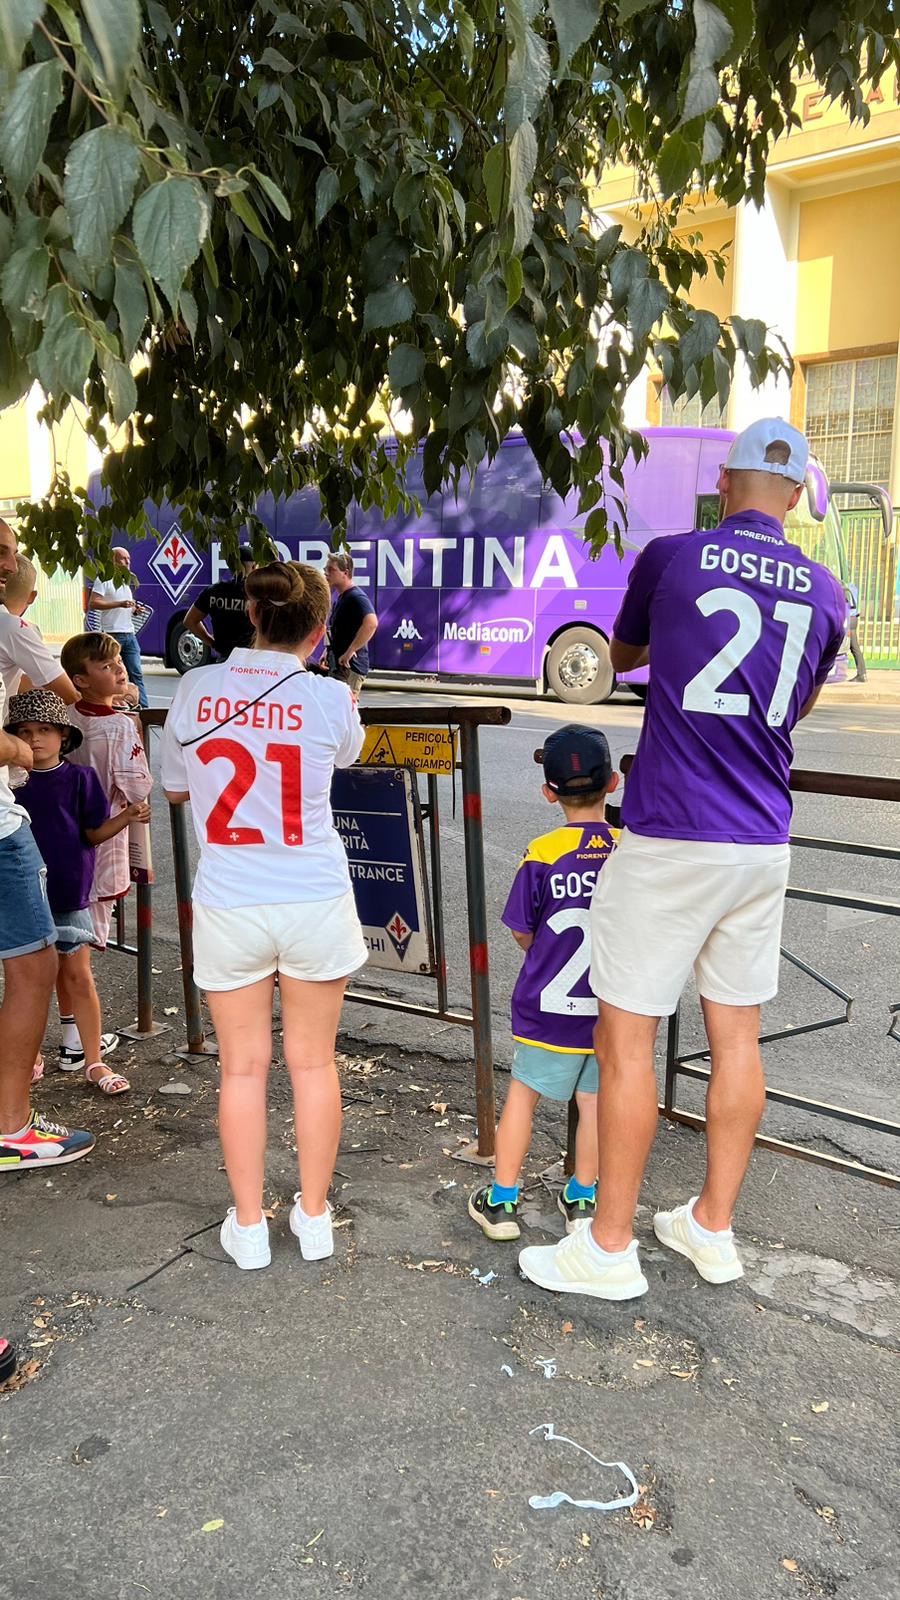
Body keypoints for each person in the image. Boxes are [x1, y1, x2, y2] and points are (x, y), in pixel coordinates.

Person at [519, 419, 847, 1303]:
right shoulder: (826, 590)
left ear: (725, 483)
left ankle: (608, 1248)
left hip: (670, 834)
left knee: (625, 1039)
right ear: (795, 497)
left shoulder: (673, 556)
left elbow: (623, 657)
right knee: (736, 1037)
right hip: (761, 840)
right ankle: (712, 1228)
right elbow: (798, 702)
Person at [160, 561, 368, 1271]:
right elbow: (346, 755)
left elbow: (177, 789)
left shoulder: (195, 689)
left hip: (229, 899)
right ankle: (314, 1218)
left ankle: (249, 1227)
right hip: (314, 897)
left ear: (251, 612)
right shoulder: (330, 697)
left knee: (242, 1070)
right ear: (320, 630)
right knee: (314, 1064)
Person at [468, 726, 619, 1242]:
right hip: (610, 1009)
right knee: (595, 1103)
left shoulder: (543, 852)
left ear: (548, 792)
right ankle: (582, 1197)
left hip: (548, 1007)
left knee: (524, 1096)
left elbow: (521, 929)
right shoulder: (627, 850)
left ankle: (502, 1201)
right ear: (613, 783)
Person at [0, 519, 94, 1171]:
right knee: (34, 965)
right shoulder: (10, 625)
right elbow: (66, 691)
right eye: (1, 552)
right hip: (1, 829)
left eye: (10, 553)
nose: (8, 563)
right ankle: (12, 1127)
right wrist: (15, 749)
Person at [5, 690, 151, 1095]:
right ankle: (28, 1059)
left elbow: (93, 833)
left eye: (44, 730)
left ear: (64, 736)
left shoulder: (81, 778)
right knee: (24, 983)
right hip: (22, 893)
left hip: (69, 891)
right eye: (24, 731)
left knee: (78, 976)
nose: (34, 739)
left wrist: (127, 816)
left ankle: (94, 1060)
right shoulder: (9, 785)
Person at [59, 633, 153, 950]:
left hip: (65, 829)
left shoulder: (65, 718)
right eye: (106, 666)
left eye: (118, 661)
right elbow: (137, 786)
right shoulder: (119, 726)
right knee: (92, 928)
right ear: (81, 680)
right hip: (107, 831)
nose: (119, 668)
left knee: (66, 924)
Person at [87, 547, 148, 708]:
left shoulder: (124, 582)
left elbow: (127, 606)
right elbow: (94, 603)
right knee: (115, 675)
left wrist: (135, 610)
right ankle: (117, 706)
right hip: (113, 634)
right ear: (113, 560)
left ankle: (144, 709)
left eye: (129, 559)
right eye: (123, 558)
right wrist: (119, 604)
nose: (127, 562)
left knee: (136, 673)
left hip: (129, 633)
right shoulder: (104, 579)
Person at [183, 545, 257, 660]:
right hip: (250, 660)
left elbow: (189, 621)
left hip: (224, 659)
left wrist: (211, 642)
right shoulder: (257, 595)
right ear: (254, 567)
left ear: (231, 566)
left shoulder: (213, 592)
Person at [323, 551, 377, 693]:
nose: (326, 573)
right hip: (340, 665)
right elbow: (339, 631)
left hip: (350, 668)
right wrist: (328, 651)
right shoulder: (342, 597)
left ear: (345, 573)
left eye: (331, 569)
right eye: (325, 569)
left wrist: (351, 650)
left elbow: (371, 623)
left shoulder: (356, 596)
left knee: (346, 706)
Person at [845, 581, 867, 683]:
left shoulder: (840, 586)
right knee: (855, 648)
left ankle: (862, 674)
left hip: (847, 619)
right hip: (853, 618)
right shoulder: (853, 587)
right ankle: (862, 674)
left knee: (852, 647)